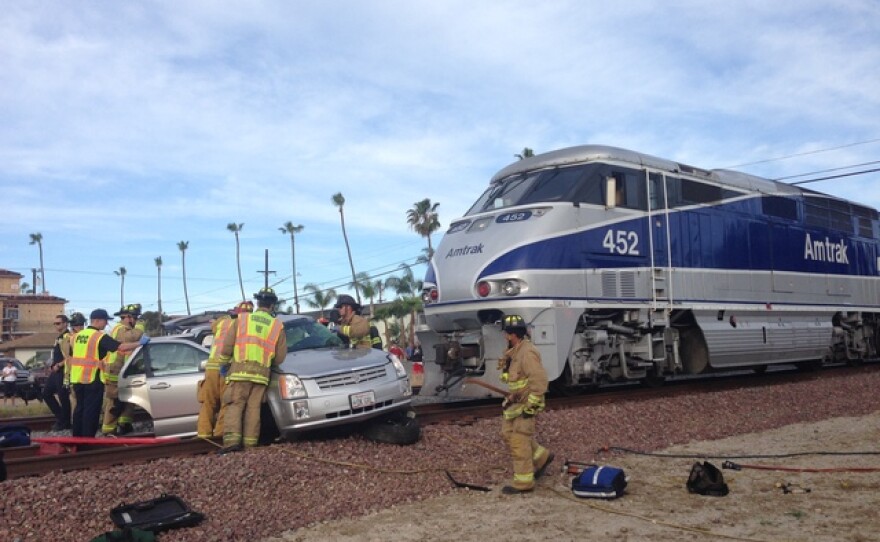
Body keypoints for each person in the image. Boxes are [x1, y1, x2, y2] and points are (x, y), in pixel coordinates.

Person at [218, 288, 287, 453]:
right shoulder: (277, 326)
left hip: (240, 372)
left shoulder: (242, 320)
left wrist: (223, 364)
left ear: (258, 303)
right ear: (272, 305)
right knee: (253, 409)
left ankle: (232, 443)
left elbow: (227, 347)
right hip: (261, 376)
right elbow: (279, 358)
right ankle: (250, 445)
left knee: (235, 405)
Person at [498, 315, 554, 494]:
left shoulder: (527, 353)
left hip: (526, 405)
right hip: (516, 404)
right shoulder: (515, 352)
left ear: (512, 334)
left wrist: (532, 406)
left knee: (519, 440)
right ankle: (541, 457)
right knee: (507, 433)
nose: (504, 337)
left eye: (506, 333)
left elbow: (539, 380)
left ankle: (524, 482)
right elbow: (515, 378)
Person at [69, 309, 147, 438]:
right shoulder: (98, 336)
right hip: (92, 379)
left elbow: (74, 356)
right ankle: (88, 439)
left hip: (77, 378)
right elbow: (121, 347)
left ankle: (77, 437)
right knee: (91, 410)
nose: (106, 325)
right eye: (105, 321)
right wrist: (140, 343)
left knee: (79, 409)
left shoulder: (76, 336)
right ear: (97, 320)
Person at [197, 301, 252, 439]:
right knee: (225, 404)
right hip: (226, 368)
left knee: (208, 403)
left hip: (211, 368)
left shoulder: (222, 323)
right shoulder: (244, 326)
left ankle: (203, 436)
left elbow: (213, 326)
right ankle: (219, 436)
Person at [100, 304, 145, 436]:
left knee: (128, 399)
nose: (136, 320)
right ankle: (108, 430)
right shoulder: (120, 329)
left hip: (125, 370)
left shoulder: (126, 328)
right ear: (127, 317)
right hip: (115, 370)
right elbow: (132, 338)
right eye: (135, 317)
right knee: (114, 401)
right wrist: (141, 327)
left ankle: (124, 424)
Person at [43, 314, 73, 430]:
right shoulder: (59, 337)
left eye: (58, 323)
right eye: (55, 323)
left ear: (65, 323)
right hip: (55, 371)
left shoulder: (68, 337)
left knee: (63, 397)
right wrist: (52, 364)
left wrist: (59, 365)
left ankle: (65, 422)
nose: (56, 325)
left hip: (63, 371)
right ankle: (62, 418)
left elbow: (71, 356)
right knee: (46, 393)